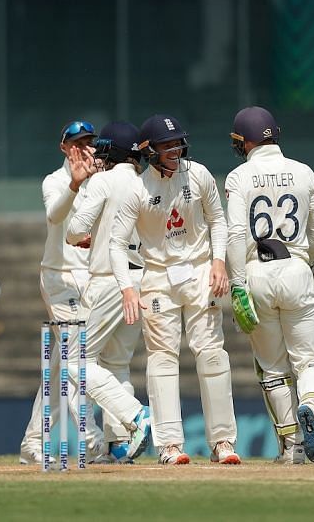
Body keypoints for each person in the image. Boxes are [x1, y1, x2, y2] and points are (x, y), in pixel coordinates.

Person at [109, 114, 240, 465]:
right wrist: (127, 289)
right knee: (163, 360)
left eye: (178, 142)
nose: (175, 149)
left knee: (212, 353)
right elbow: (116, 244)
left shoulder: (198, 175)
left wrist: (218, 262)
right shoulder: (136, 188)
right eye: (167, 145)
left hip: (199, 272)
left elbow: (218, 220)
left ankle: (223, 442)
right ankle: (169, 445)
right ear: (148, 150)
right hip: (157, 278)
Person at [224, 106, 314, 464]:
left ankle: (291, 447)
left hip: (256, 272)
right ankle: (312, 405)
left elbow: (238, 233)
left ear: (246, 141)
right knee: (311, 361)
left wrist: (237, 284)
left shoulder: (239, 177)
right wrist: (306, 259)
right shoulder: (303, 172)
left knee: (272, 368)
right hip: (296, 269)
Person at [18, 120, 108, 465]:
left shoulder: (100, 182)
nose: (82, 149)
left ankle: (32, 443)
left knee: (60, 366)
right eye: (75, 143)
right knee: (76, 359)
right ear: (64, 148)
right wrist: (75, 182)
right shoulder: (55, 182)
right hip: (59, 279)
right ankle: (91, 437)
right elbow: (55, 216)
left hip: (89, 278)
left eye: (88, 142)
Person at [66, 121, 152, 462]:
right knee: (117, 364)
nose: (98, 158)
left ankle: (135, 417)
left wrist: (84, 233)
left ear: (113, 153)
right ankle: (120, 446)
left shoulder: (102, 181)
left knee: (75, 363)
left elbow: (74, 231)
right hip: (139, 282)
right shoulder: (146, 184)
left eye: (103, 151)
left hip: (108, 282)